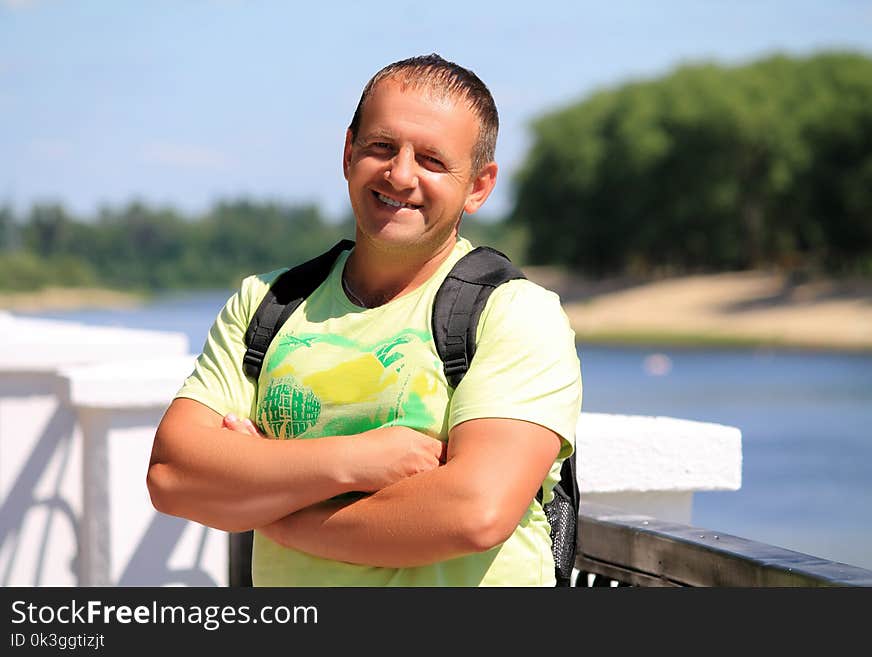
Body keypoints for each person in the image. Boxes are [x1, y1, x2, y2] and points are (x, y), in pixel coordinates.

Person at [147, 54, 582, 586]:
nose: (400, 174)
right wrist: (358, 460)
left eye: (432, 160)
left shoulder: (514, 313)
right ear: (348, 151)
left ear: (478, 186)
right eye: (382, 147)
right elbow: (173, 476)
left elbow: (475, 511)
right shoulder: (268, 301)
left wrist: (273, 504)